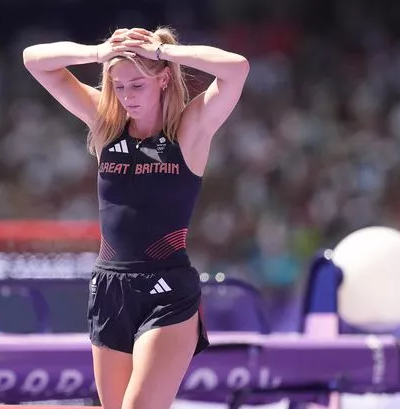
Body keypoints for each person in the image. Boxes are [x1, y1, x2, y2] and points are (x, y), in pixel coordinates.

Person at [23, 26, 249, 409]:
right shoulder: (106, 124)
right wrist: (100, 53)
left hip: (168, 291)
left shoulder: (189, 131)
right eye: (119, 87)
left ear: (162, 79)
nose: (127, 97)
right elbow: (35, 60)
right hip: (110, 287)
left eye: (137, 86)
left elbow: (237, 68)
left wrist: (164, 52)